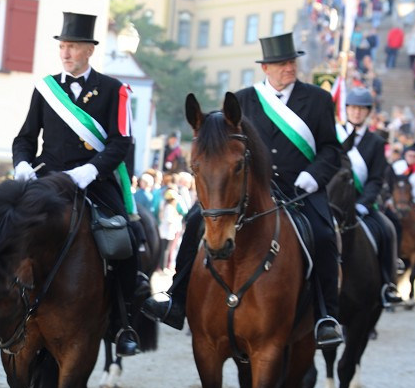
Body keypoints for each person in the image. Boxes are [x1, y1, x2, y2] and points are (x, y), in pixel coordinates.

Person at [144, 32, 344, 347]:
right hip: (249, 187)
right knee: (196, 220)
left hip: (301, 188)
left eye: (291, 62)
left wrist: (313, 176)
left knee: (323, 234)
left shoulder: (317, 99)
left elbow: (332, 149)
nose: (288, 68)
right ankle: (176, 298)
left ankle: (325, 315)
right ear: (265, 68)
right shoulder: (243, 100)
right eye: (280, 64)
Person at [6, 11, 148, 357]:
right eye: (63, 47)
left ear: (89, 51)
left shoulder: (114, 90)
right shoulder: (45, 89)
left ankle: (124, 323)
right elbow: (25, 137)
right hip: (48, 177)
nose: (66, 53)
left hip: (93, 180)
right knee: (3, 222)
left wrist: (90, 171)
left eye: (73, 47)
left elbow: (120, 142)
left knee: (123, 240)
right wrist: (22, 164)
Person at [340, 87, 403, 305]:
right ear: (346, 109)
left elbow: (376, 178)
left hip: (361, 204)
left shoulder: (376, 142)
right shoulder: (332, 135)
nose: (356, 113)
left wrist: (363, 205)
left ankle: (388, 283)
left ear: (368, 112)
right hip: (333, 202)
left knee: (388, 228)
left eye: (362, 109)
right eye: (353, 108)